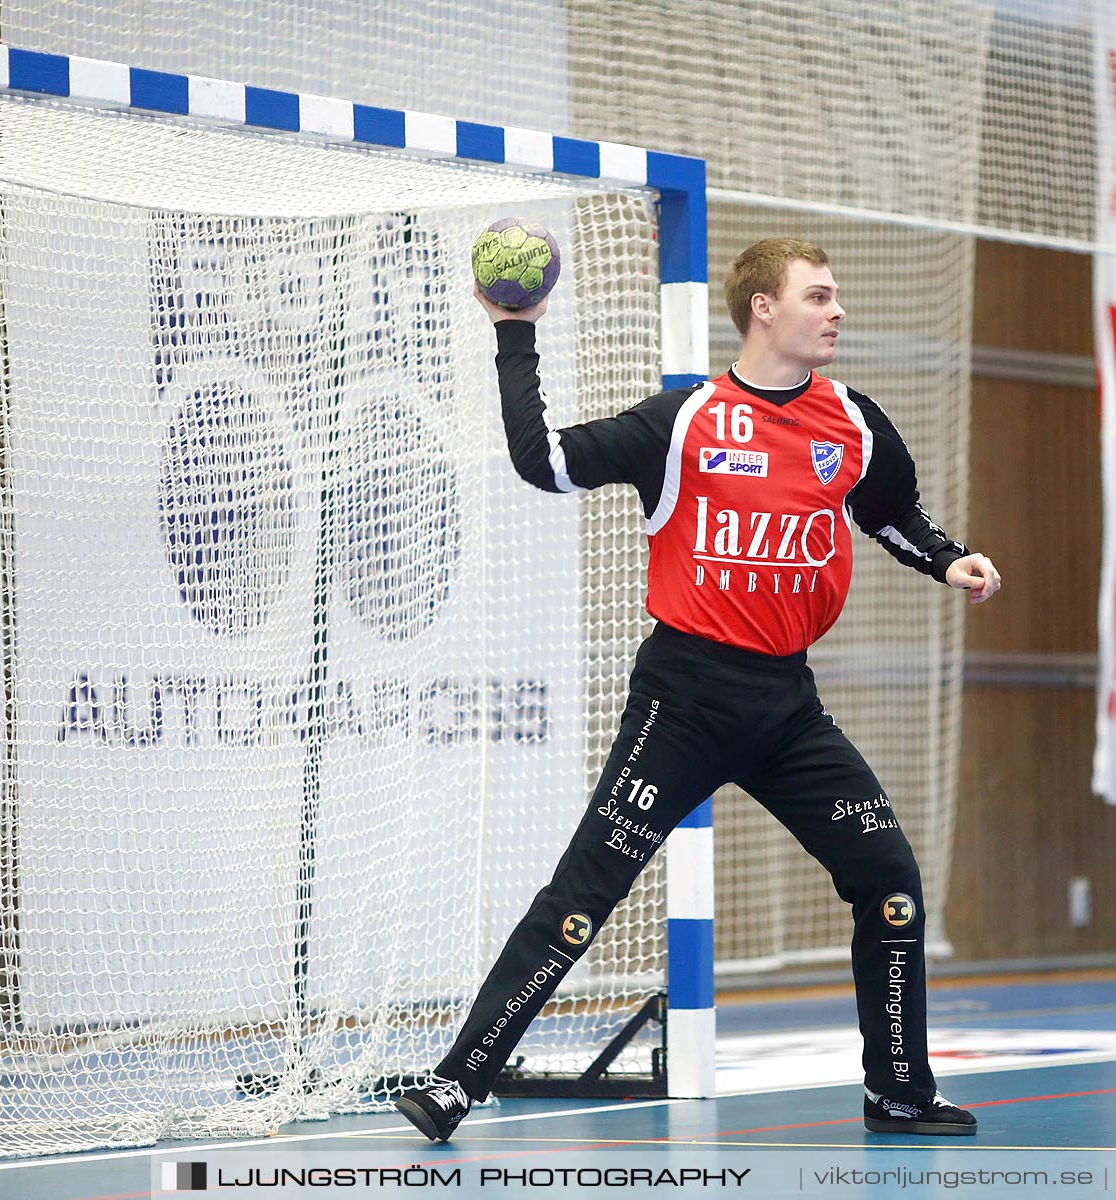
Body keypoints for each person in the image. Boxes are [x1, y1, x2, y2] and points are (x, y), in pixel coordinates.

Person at [395, 238, 1000, 1142]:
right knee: (584, 893)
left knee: (889, 879)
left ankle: (900, 1094)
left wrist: (950, 561)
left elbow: (892, 514)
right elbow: (543, 459)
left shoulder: (855, 422)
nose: (837, 313)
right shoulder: (681, 423)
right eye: (819, 296)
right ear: (764, 307)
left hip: (787, 710)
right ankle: (457, 1082)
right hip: (683, 701)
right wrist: (515, 333)